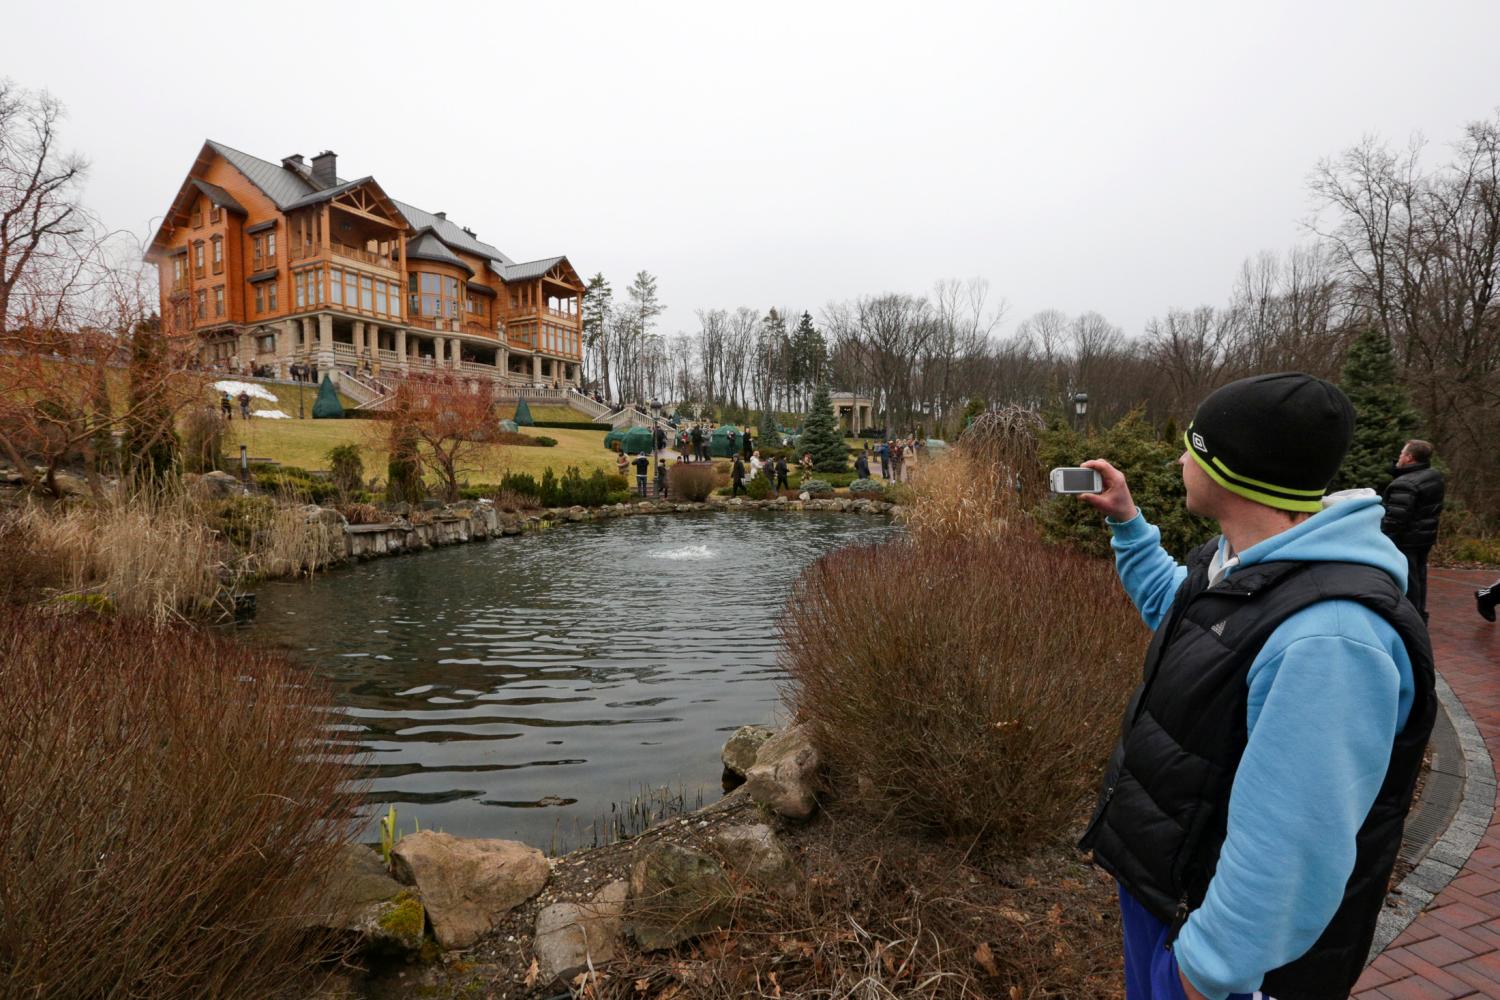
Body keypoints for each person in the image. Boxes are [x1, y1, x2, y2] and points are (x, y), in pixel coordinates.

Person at [1074, 372, 1434, 1000]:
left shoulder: (1331, 636)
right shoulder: (1242, 564)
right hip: (1173, 904)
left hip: (1222, 965)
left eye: (1195, 446)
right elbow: (1186, 616)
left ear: (1231, 472)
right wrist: (1129, 524)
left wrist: (1205, 971)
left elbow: (1292, 844)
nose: (1182, 457)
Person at [1380, 439, 1445, 622]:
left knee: (1409, 583)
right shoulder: (1433, 475)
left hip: (1407, 540)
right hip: (1425, 538)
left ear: (1409, 458)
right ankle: (1419, 616)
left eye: (1402, 453)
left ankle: (1411, 621)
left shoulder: (1405, 484)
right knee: (1420, 578)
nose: (1398, 456)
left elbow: (1395, 520)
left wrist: (1383, 540)